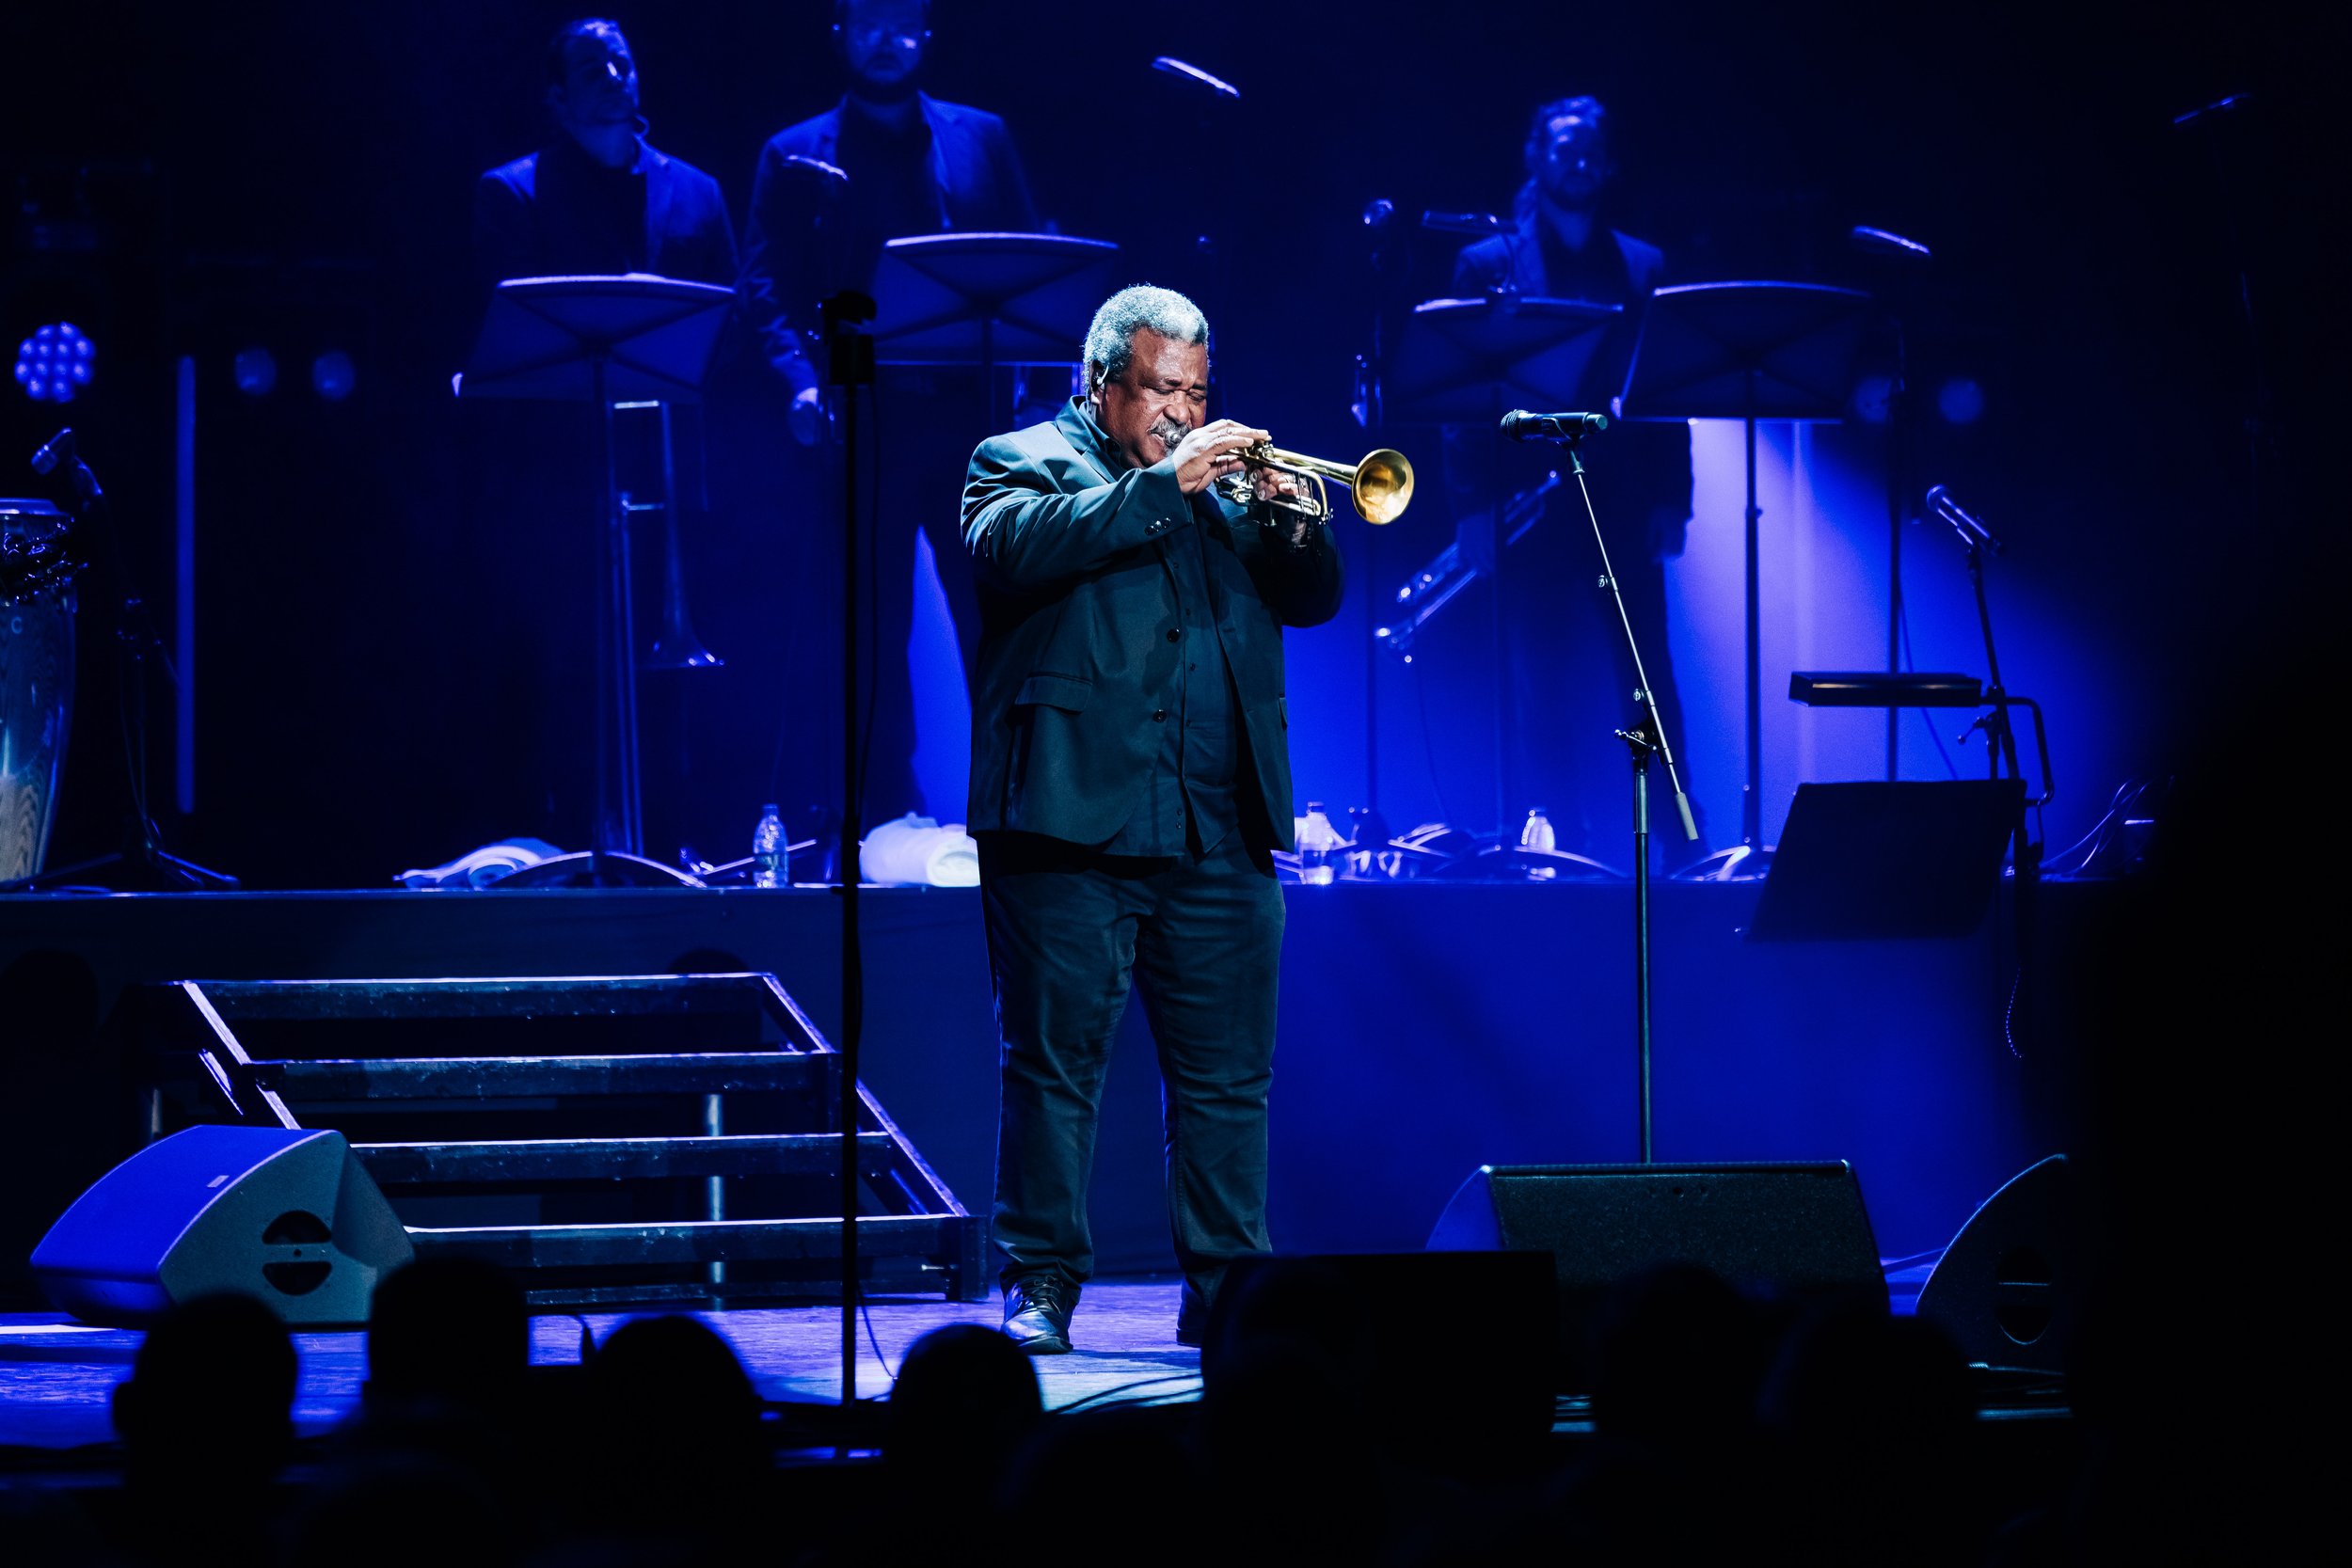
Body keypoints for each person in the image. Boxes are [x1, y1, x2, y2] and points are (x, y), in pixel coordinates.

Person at [961, 285, 1344, 1353]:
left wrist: (1286, 518)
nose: (1182, 411)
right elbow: (1016, 550)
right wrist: (1163, 490)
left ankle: (1226, 1287)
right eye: (1161, 389)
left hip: (1219, 825)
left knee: (1228, 1082)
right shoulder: (1018, 458)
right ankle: (1039, 1281)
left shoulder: (1224, 491)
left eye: (1196, 390)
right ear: (1101, 385)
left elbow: (1312, 599)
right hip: (1066, 823)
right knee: (1052, 1068)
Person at [740, 0, 1039, 824]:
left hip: (971, 419)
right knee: (871, 634)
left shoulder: (983, 137)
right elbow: (762, 288)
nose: (885, 40)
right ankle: (884, 821)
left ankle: (1018, 811)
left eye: (901, 21)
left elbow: (1029, 260)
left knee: (999, 619)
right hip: (861, 419)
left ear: (927, 35)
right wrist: (799, 379)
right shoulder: (793, 154)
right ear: (839, 34)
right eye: (867, 21)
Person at [1446, 95, 1704, 866]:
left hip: (1622, 498)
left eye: (1592, 148)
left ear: (1610, 163)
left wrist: (1673, 498)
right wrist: (1471, 509)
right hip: (1528, 504)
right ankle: (1556, 844)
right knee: (1540, 679)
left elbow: (1666, 392)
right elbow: (1463, 397)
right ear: (1536, 156)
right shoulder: (1489, 265)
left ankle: (1682, 844)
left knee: (1647, 674)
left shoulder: (1643, 265)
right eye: (1564, 148)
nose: (1579, 161)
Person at [473, 19, 739, 294]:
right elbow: (518, 324)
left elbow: (733, 318)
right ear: (559, 97)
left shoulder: (701, 192)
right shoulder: (513, 193)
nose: (613, 77)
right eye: (592, 71)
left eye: (622, 65)